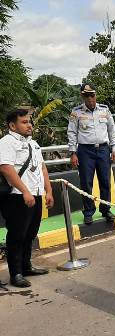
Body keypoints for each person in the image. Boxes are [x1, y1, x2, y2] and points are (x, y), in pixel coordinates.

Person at [0, 109, 54, 287]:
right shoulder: (7, 142)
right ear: (12, 125)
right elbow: (6, 168)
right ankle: (15, 273)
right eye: (24, 122)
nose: (29, 124)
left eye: (29, 121)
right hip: (17, 197)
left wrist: (49, 190)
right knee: (17, 234)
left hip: (35, 194)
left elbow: (42, 168)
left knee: (30, 233)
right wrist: (24, 191)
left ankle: (26, 266)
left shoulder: (34, 144)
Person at [67, 83, 115, 225]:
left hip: (103, 149)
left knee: (105, 182)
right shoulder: (76, 112)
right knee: (86, 183)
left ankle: (106, 209)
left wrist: (114, 149)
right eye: (86, 95)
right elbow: (72, 132)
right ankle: (88, 211)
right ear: (82, 96)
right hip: (85, 151)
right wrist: (73, 152)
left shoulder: (104, 110)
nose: (90, 98)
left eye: (92, 95)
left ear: (95, 95)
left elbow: (111, 130)